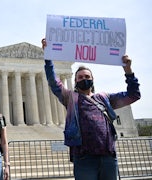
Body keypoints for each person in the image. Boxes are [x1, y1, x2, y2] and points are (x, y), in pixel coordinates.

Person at [41, 38, 140, 180]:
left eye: (87, 76)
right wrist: (48, 57)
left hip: (108, 156)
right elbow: (53, 82)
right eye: (80, 77)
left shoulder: (104, 98)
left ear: (93, 79)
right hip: (84, 158)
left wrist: (128, 71)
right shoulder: (71, 98)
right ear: (75, 81)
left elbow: (133, 95)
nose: (83, 79)